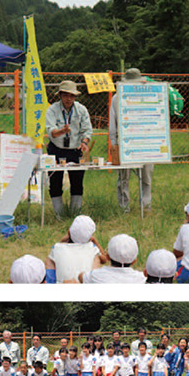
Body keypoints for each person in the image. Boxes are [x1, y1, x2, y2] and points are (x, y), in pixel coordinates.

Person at [45, 80, 93, 217]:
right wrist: (62, 131)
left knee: (77, 182)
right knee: (55, 182)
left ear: (75, 97)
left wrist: (84, 142)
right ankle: (59, 214)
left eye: (72, 96)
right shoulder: (52, 110)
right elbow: (51, 131)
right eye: (65, 95)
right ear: (60, 95)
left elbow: (87, 130)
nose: (68, 99)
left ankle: (75, 213)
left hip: (75, 149)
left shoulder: (81, 109)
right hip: (56, 149)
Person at [109, 68, 154, 211]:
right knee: (124, 176)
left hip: (145, 142)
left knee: (146, 176)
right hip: (125, 143)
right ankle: (125, 206)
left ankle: (145, 205)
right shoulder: (117, 98)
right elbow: (112, 124)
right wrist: (114, 145)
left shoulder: (149, 97)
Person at [45, 215, 106, 283]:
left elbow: (58, 249)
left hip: (64, 284)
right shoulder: (92, 247)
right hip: (84, 282)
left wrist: (62, 240)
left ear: (69, 232)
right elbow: (104, 259)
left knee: (49, 260)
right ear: (90, 237)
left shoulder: (56, 247)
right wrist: (95, 241)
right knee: (96, 258)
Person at [79, 234, 145, 283]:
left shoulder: (95, 276)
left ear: (107, 257)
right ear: (134, 261)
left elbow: (81, 277)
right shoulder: (142, 279)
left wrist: (96, 262)